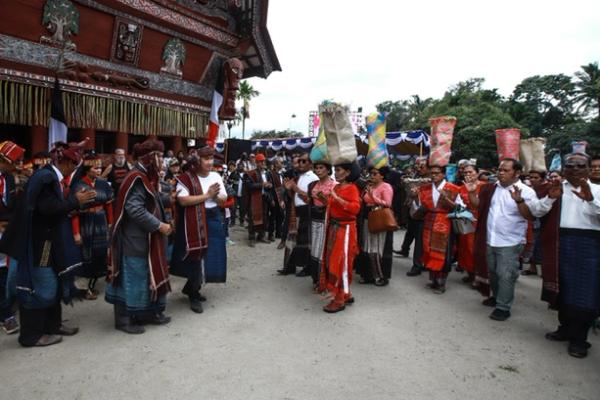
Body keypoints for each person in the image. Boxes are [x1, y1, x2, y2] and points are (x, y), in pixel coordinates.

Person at [15, 143, 96, 346]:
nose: (75, 170)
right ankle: (31, 335)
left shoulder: (50, 177)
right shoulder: (46, 177)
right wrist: (75, 201)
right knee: (42, 286)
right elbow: (48, 208)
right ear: (67, 163)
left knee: (57, 283)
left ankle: (53, 325)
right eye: (75, 165)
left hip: (51, 240)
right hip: (41, 242)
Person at [528, 153, 600, 358]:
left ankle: (580, 340)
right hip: (559, 243)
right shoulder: (556, 188)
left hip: (590, 245)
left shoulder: (597, 190)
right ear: (564, 169)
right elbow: (536, 211)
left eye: (580, 165)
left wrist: (592, 200)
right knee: (563, 289)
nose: (575, 169)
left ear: (587, 168)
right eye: (570, 165)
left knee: (585, 296)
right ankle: (565, 328)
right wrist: (550, 197)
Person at [106, 138, 173, 334]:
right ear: (149, 157)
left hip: (149, 239)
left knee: (146, 276)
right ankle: (124, 319)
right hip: (135, 239)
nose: (162, 160)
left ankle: (148, 312)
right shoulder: (136, 177)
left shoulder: (147, 175)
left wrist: (170, 199)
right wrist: (159, 225)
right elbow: (134, 209)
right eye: (159, 156)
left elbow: (151, 199)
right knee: (132, 277)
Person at [473, 158, 537, 321]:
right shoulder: (491, 188)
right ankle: (496, 297)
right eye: (500, 169)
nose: (500, 172)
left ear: (517, 173)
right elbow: (478, 206)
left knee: (506, 274)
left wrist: (519, 201)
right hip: (490, 238)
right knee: (493, 272)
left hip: (510, 241)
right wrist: (470, 192)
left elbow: (529, 216)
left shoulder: (526, 191)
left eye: (505, 170)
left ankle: (503, 307)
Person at [172, 147, 227, 313]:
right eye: (206, 159)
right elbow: (183, 200)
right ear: (197, 161)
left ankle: (191, 287)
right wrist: (207, 195)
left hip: (213, 216)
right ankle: (194, 293)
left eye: (211, 159)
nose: (210, 162)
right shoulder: (186, 178)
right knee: (196, 255)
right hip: (193, 219)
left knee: (212, 254)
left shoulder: (216, 176)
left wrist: (215, 196)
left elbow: (223, 201)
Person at [410, 164, 460, 294]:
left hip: (445, 223)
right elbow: (420, 207)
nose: (434, 175)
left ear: (443, 174)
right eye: (432, 173)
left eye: (437, 173)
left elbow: (460, 209)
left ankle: (441, 282)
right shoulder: (425, 188)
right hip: (428, 222)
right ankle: (433, 280)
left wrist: (447, 200)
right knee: (428, 251)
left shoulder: (453, 188)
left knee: (443, 254)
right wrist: (415, 197)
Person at [319, 163, 362, 313]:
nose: (335, 173)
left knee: (340, 263)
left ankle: (339, 300)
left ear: (347, 172)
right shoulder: (337, 187)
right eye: (335, 170)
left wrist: (336, 198)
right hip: (335, 228)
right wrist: (325, 200)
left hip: (345, 230)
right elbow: (333, 206)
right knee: (336, 261)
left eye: (338, 170)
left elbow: (355, 209)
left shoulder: (351, 188)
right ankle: (346, 293)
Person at [71, 152, 114, 300]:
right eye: (95, 168)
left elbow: (108, 205)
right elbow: (75, 211)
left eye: (100, 168)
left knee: (100, 253)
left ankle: (92, 284)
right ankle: (82, 288)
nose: (99, 170)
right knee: (85, 254)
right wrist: (76, 233)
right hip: (86, 222)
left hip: (101, 221)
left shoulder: (103, 184)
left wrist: (111, 223)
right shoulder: (78, 185)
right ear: (87, 169)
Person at [279, 153, 318, 276]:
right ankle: (289, 266)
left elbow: (311, 198)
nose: (300, 164)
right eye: (299, 161)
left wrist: (295, 188)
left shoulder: (313, 178)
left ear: (310, 164)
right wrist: (288, 189)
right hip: (296, 210)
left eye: (303, 161)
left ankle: (306, 268)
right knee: (292, 240)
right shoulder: (298, 177)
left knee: (305, 241)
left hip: (307, 211)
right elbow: (294, 195)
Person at [0, 141, 24, 335]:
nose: (17, 165)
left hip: (6, 232)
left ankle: (6, 310)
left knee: (5, 272)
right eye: (14, 161)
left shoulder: (9, 178)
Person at [357, 166, 394, 286]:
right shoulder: (370, 186)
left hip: (379, 218)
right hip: (368, 218)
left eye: (375, 174)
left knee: (376, 249)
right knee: (367, 248)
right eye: (371, 173)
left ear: (382, 175)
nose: (372, 176)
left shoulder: (386, 187)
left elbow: (387, 203)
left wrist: (373, 197)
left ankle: (380, 276)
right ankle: (368, 275)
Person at [308, 161, 336, 290]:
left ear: (328, 170)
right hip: (314, 220)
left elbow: (335, 206)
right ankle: (316, 278)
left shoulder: (334, 185)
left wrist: (324, 200)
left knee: (324, 249)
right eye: (316, 168)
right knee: (315, 249)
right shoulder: (314, 184)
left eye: (321, 168)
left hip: (327, 220)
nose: (318, 170)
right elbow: (310, 201)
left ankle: (325, 280)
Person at [401, 158, 429, 277]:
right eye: (417, 166)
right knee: (412, 234)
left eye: (422, 166)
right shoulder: (415, 177)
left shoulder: (431, 181)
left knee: (420, 242)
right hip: (413, 212)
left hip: (424, 214)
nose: (419, 168)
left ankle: (418, 265)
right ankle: (406, 251)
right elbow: (409, 192)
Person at [457, 164, 484, 286]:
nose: (468, 175)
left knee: (476, 249)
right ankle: (470, 273)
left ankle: (479, 277)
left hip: (480, 220)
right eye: (465, 173)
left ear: (477, 173)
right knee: (465, 248)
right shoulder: (461, 188)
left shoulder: (485, 187)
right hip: (465, 220)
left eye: (470, 172)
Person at [521, 170, 547, 276]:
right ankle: (532, 268)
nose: (532, 179)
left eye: (536, 177)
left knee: (539, 246)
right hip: (529, 222)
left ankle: (543, 270)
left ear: (542, 178)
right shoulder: (527, 190)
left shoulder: (546, 189)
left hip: (542, 223)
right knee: (532, 245)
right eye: (530, 177)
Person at [244, 153, 272, 247]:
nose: (262, 163)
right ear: (256, 163)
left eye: (263, 161)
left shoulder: (267, 173)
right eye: (260, 161)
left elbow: (268, 184)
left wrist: (269, 185)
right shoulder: (251, 173)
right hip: (254, 199)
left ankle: (261, 235)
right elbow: (249, 186)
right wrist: (262, 185)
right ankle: (252, 237)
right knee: (253, 218)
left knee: (264, 217)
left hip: (264, 198)